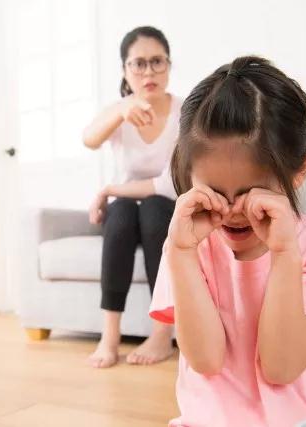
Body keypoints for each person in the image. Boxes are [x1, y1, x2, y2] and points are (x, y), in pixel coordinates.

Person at [150, 56, 306, 426]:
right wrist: (182, 254)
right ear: (188, 173)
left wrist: (285, 253)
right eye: (215, 192)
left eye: (251, 192)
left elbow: (281, 367)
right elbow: (205, 361)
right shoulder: (185, 248)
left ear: (300, 171)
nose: (233, 211)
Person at [83, 26, 181, 368]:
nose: (148, 72)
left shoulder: (186, 112)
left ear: (169, 65)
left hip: (163, 210)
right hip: (124, 213)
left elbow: (170, 184)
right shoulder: (120, 110)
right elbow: (89, 139)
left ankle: (161, 335)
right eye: (138, 64)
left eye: (157, 62)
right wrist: (121, 111)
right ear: (125, 70)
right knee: (122, 213)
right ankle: (109, 336)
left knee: (153, 209)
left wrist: (108, 189)